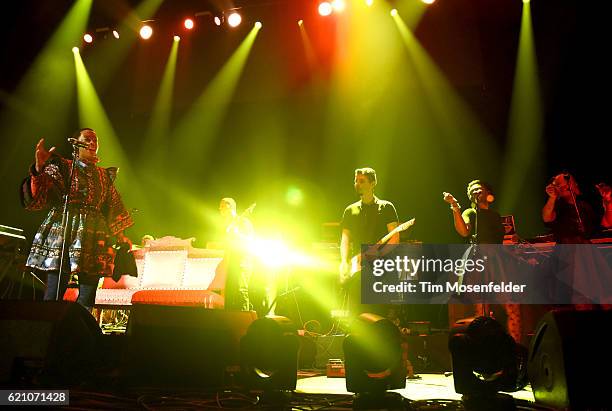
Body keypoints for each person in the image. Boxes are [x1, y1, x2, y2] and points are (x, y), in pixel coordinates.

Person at [20, 128, 133, 310]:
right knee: (54, 293)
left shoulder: (104, 176)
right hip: (64, 231)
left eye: (95, 140)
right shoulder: (63, 167)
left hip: (93, 235)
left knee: (87, 297)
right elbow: (41, 195)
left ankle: (80, 333)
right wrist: (39, 169)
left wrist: (121, 235)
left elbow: (115, 205)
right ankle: (49, 329)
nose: (92, 143)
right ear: (76, 143)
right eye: (87, 139)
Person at [443, 180, 522, 343]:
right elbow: (464, 232)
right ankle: (482, 350)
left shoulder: (495, 215)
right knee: (481, 306)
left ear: (487, 193)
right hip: (478, 259)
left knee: (511, 305)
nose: (475, 191)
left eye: (479, 189)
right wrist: (455, 207)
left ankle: (516, 349)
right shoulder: (470, 213)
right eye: (472, 190)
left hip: (497, 260)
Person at [340, 167, 399, 316]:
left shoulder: (386, 207)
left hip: (380, 267)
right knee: (356, 312)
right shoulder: (350, 210)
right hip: (358, 267)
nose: (357, 184)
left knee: (378, 314)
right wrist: (344, 262)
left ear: (373, 183)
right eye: (356, 181)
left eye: (361, 181)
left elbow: (394, 239)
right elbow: (345, 239)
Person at [219, 197, 253, 311]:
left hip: (242, 262)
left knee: (240, 290)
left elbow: (251, 241)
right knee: (228, 292)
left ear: (230, 206)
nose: (220, 209)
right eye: (220, 206)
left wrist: (238, 234)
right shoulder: (225, 225)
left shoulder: (243, 221)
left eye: (223, 206)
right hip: (229, 262)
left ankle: (244, 322)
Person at [542, 173, 597, 243]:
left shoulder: (585, 205)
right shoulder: (557, 205)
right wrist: (552, 197)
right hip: (566, 250)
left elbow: (602, 226)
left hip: (586, 249)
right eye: (559, 184)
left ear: (575, 184)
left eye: (567, 182)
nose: (564, 186)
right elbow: (547, 218)